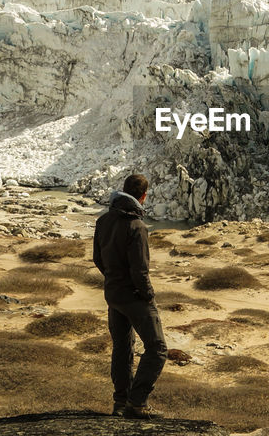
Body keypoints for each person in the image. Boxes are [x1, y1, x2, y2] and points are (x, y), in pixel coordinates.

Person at [93, 173, 168, 420]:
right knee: (157, 348)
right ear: (143, 196)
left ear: (123, 190)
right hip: (133, 296)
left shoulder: (103, 221)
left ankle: (120, 402)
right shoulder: (137, 226)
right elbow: (140, 270)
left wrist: (113, 279)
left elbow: (98, 259)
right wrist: (148, 296)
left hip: (113, 294)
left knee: (123, 348)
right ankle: (137, 404)